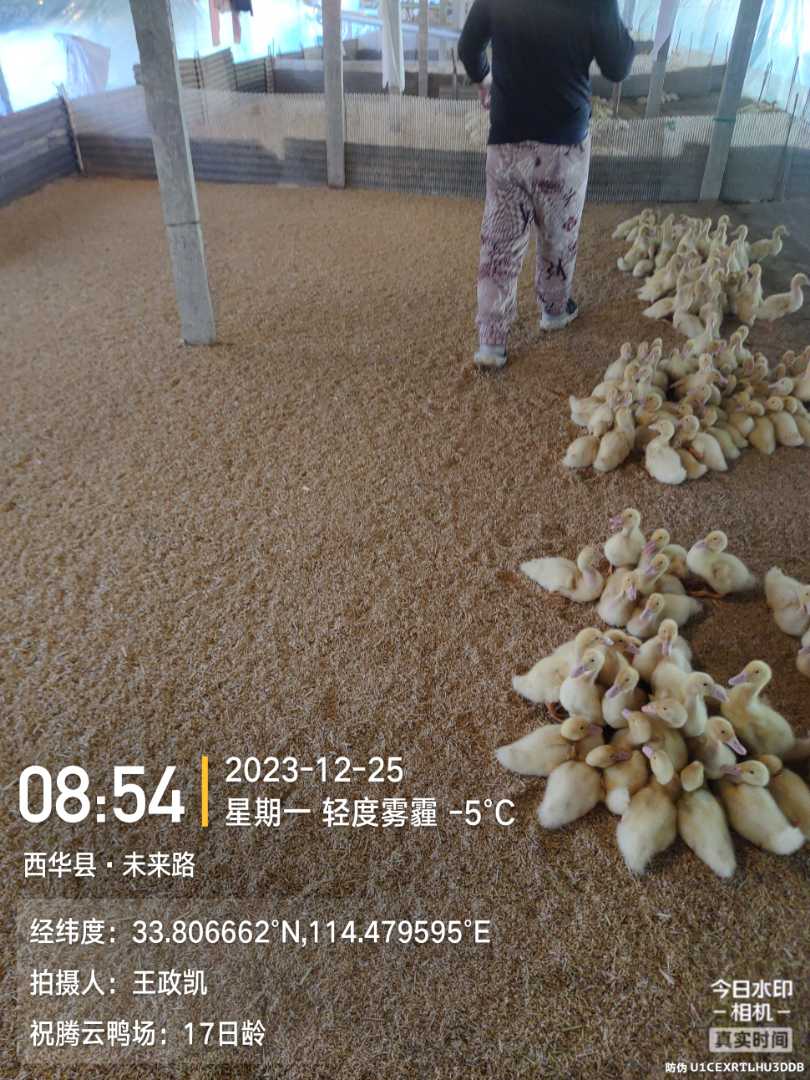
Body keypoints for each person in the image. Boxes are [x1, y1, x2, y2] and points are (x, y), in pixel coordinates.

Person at [458, 0, 635, 369]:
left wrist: (484, 79)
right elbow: (617, 66)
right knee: (559, 232)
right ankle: (554, 310)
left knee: (499, 242)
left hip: (507, 137)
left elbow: (468, 47)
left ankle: (491, 342)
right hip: (563, 142)